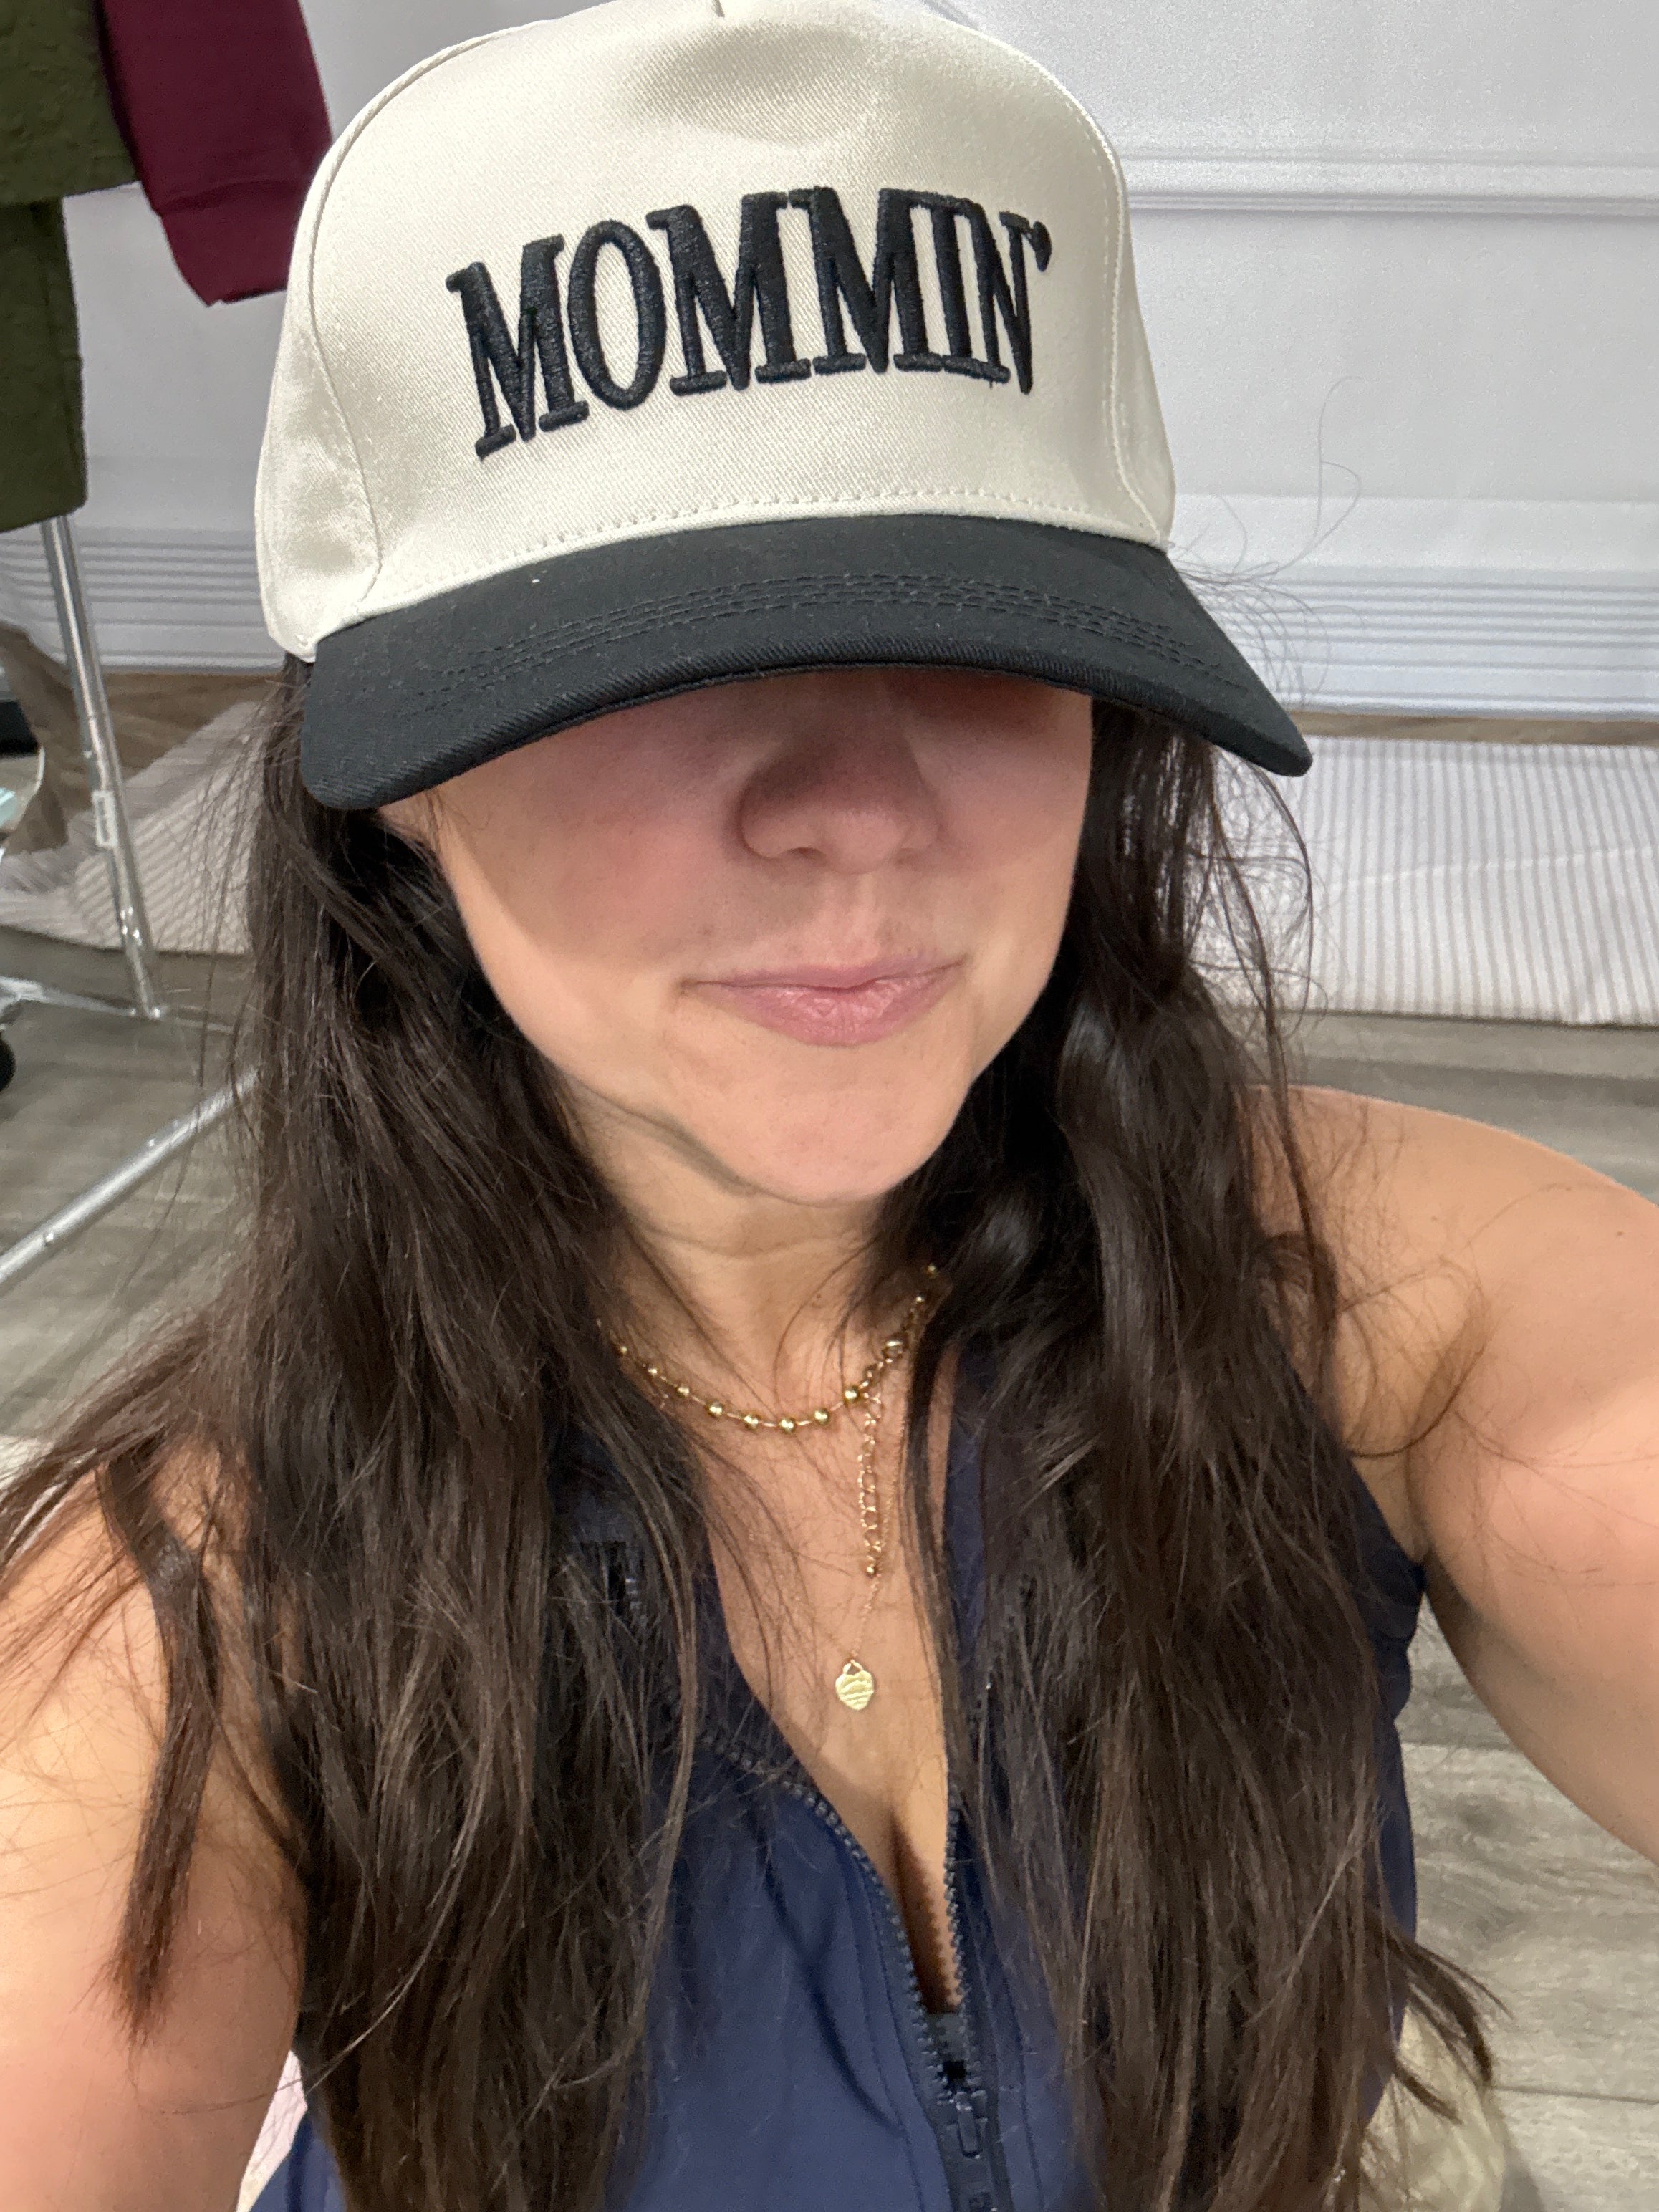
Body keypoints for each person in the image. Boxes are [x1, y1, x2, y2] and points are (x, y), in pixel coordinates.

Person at [2, 5, 1655, 2210]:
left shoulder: (1393, 1304)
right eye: (644, 669)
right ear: (391, 772)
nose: (854, 811)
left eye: (980, 636)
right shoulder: (178, 1624)